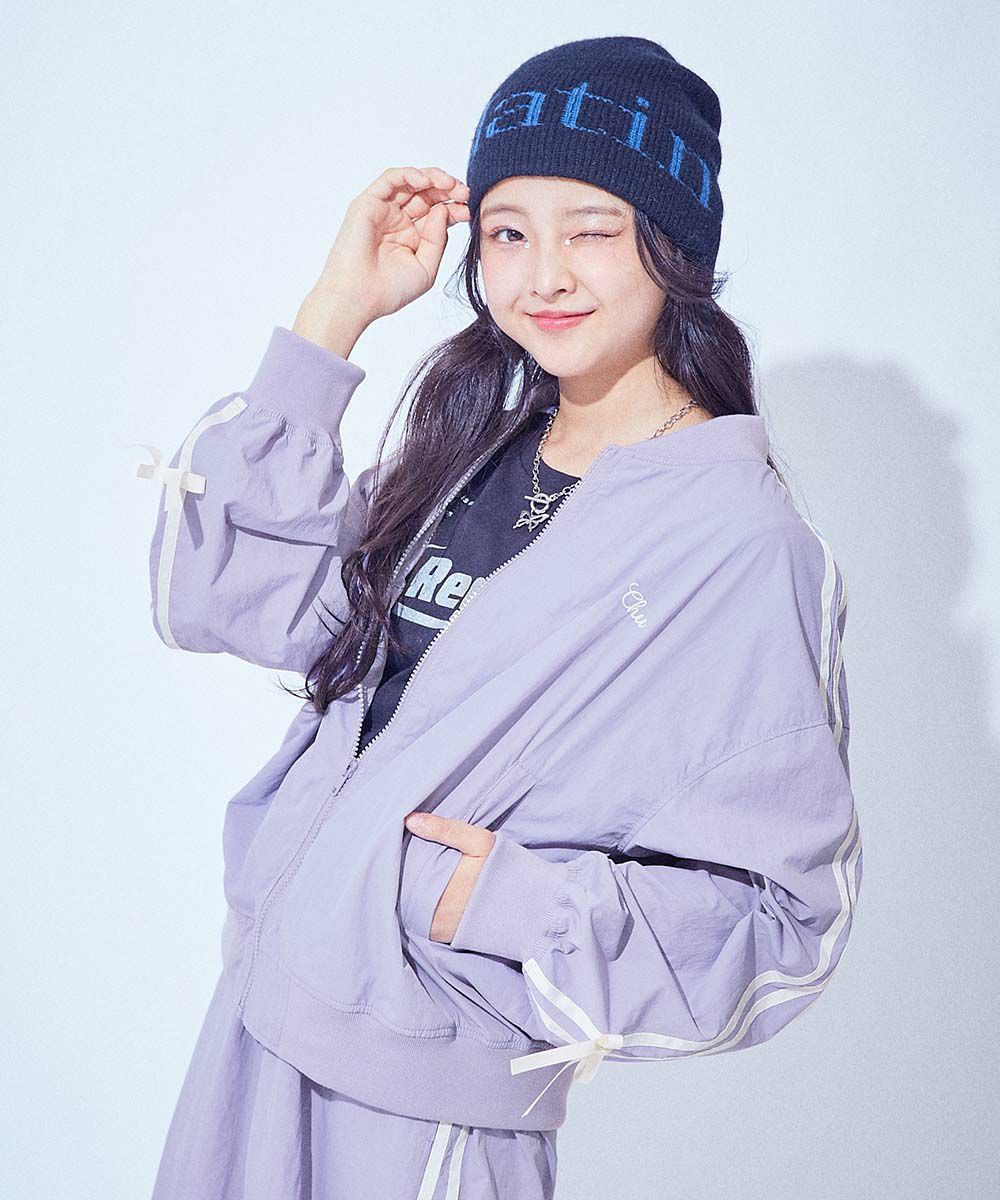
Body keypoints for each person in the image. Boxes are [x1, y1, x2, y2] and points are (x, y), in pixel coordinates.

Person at [136, 35, 863, 1200]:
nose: (543, 277)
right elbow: (240, 603)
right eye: (510, 234)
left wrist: (506, 905)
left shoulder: (738, 540)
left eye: (592, 230)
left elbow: (782, 918)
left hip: (427, 1098)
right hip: (259, 1013)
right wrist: (334, 316)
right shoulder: (475, 448)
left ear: (673, 247)